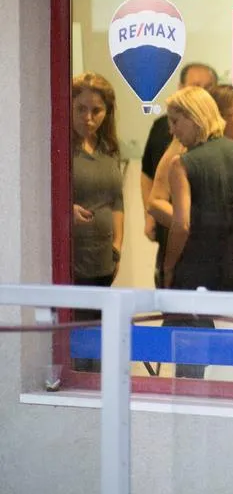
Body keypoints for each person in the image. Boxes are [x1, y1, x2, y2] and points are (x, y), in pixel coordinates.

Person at [155, 87, 233, 377]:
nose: (172, 130)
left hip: (195, 278)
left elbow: (182, 224)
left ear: (195, 118)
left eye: (175, 121)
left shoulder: (182, 163)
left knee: (191, 369)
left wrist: (168, 267)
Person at [139, 62, 217, 287]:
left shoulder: (220, 130)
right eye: (196, 86)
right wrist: (149, 216)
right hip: (172, 227)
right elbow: (147, 174)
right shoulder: (162, 127)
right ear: (181, 87)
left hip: (209, 235)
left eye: (208, 87)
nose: (202, 93)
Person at [70, 73, 125, 372]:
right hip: (72, 260)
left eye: (96, 111)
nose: (88, 118)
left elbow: (117, 202)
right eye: (81, 109)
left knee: (101, 349)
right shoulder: (61, 146)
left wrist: (117, 248)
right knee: (77, 348)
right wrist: (66, 211)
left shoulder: (108, 148)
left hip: (104, 260)